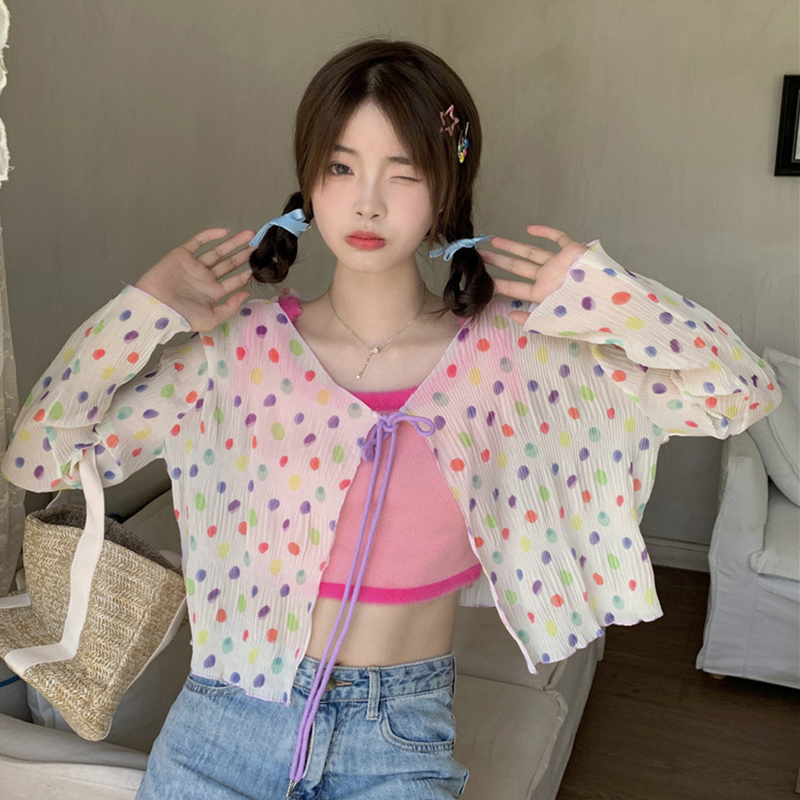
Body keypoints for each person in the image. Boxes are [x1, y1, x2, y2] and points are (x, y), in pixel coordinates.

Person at [0, 38, 781, 800]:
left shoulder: (511, 356)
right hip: (223, 724)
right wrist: (140, 312)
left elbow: (739, 392)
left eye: (402, 173)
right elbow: (36, 458)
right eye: (341, 167)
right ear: (309, 182)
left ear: (446, 189)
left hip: (400, 737)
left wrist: (610, 297)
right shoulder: (235, 352)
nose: (367, 201)